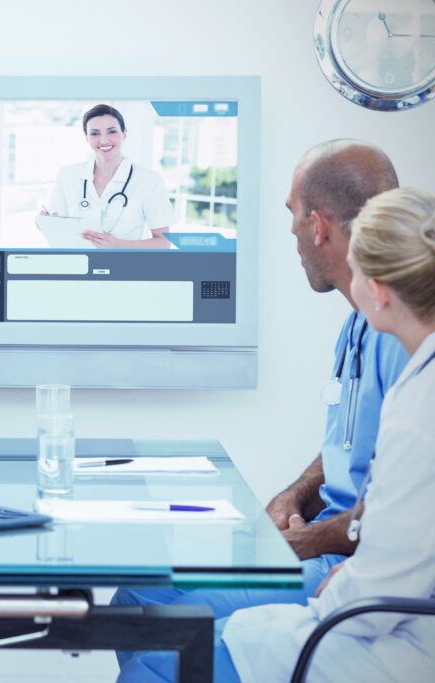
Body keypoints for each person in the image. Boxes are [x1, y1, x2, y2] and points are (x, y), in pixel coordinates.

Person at [121, 187, 435, 682]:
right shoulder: (407, 367)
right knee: (138, 605)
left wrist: (337, 573)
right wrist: (299, 500)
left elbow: (390, 557)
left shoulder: (418, 396)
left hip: (391, 622)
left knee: (163, 660)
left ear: (376, 288)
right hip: (374, 587)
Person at [38, 104, 173, 249]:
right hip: (79, 264)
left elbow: (164, 243)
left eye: (112, 131)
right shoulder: (68, 175)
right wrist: (45, 223)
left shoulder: (149, 179)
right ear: (87, 138)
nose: (103, 140)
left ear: (124, 133)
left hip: (122, 267)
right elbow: (56, 225)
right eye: (95, 133)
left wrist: (119, 245)